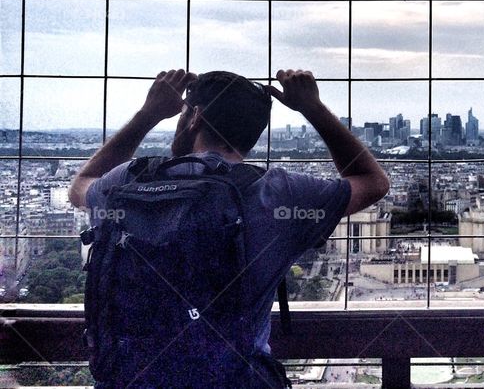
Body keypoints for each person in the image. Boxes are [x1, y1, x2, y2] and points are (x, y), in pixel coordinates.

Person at [69, 68, 389, 388]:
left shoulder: (129, 179)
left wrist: (147, 115)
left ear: (195, 117)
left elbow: (80, 187)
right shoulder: (276, 194)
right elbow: (372, 182)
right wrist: (312, 108)